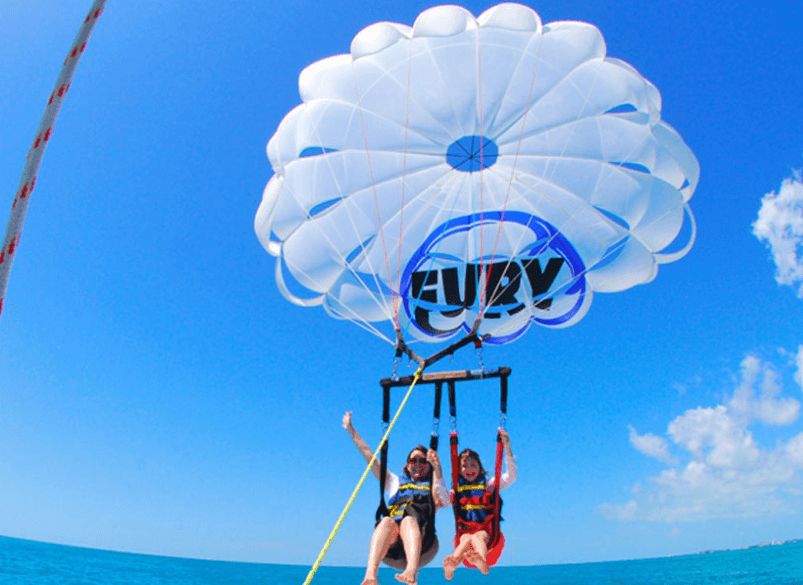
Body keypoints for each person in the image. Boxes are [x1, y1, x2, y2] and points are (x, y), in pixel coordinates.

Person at [343, 411, 449, 585]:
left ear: (428, 466)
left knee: (408, 520)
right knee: (386, 521)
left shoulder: (433, 485)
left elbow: (443, 500)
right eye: (413, 460)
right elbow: (369, 455)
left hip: (424, 547)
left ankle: (412, 572)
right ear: (406, 465)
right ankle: (370, 576)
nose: (417, 464)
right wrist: (351, 430)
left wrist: (438, 470)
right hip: (392, 550)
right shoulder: (394, 482)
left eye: (422, 461)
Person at [442, 429, 516, 580]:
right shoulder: (456, 490)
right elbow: (443, 499)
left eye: (472, 464)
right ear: (459, 470)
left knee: (477, 537)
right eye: (465, 465)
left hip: (487, 531)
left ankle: (482, 561)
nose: (469, 469)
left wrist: (507, 447)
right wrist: (437, 473)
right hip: (465, 530)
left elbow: (510, 477)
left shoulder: (488, 485)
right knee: (465, 539)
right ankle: (452, 563)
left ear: (480, 466)